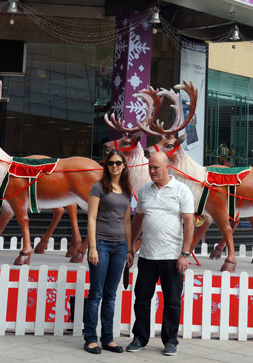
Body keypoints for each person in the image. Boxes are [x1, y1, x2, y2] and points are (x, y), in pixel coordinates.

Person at [126, 151, 194, 357]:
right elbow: (138, 220)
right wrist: (131, 246)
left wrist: (185, 253)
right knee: (142, 299)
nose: (152, 171)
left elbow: (189, 223)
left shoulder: (182, 190)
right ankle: (140, 338)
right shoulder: (144, 190)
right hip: (147, 255)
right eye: (150, 167)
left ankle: (170, 340)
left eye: (156, 167)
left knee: (172, 301)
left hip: (172, 256)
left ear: (167, 167)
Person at [83, 149, 133, 355]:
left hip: (120, 246)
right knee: (96, 293)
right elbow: (91, 218)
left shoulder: (127, 189)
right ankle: (90, 339)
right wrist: (93, 247)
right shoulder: (99, 187)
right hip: (101, 244)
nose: (114, 166)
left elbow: (127, 222)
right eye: (111, 163)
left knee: (111, 295)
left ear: (124, 166)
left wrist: (129, 249)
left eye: (118, 163)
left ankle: (107, 338)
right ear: (106, 166)